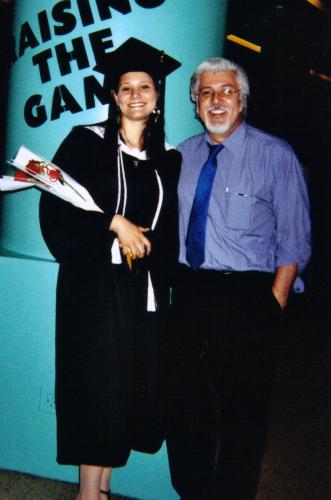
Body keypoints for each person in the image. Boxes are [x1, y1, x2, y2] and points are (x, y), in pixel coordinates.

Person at [39, 37, 181, 500]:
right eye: (126, 88)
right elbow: (56, 209)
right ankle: (86, 493)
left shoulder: (169, 158)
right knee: (96, 384)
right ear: (114, 96)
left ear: (157, 97)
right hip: (94, 286)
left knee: (125, 385)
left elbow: (170, 227)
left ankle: (101, 490)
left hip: (143, 289)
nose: (136, 94)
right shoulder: (85, 142)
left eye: (145, 86)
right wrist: (113, 223)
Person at [166, 57, 311, 499]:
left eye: (227, 91)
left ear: (243, 100)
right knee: (185, 410)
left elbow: (295, 239)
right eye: (206, 93)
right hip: (190, 291)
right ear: (195, 104)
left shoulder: (276, 155)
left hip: (249, 296)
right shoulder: (180, 157)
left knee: (243, 416)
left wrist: (274, 302)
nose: (216, 100)